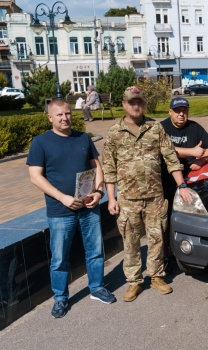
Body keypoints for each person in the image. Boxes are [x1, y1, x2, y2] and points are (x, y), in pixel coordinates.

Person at [102, 87, 194, 302]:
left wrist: (182, 185)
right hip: (127, 198)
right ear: (124, 104)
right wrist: (111, 197)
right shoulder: (115, 132)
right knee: (131, 242)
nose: (136, 106)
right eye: (132, 102)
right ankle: (134, 282)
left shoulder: (156, 128)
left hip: (155, 197)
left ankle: (156, 276)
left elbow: (171, 158)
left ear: (144, 104)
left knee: (157, 238)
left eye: (140, 102)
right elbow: (109, 166)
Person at [27, 99, 116, 318]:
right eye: (59, 115)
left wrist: (98, 192)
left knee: (95, 251)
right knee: (59, 258)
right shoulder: (41, 143)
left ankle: (96, 287)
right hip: (60, 211)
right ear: (49, 117)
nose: (65, 118)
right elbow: (35, 177)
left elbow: (97, 167)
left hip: (89, 207)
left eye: (67, 113)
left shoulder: (83, 138)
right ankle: (60, 298)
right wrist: (62, 198)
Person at [160, 97, 208, 273]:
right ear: (170, 112)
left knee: (187, 220)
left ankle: (187, 252)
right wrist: (190, 152)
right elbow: (162, 149)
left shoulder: (195, 128)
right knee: (164, 222)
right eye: (177, 111)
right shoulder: (161, 128)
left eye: (184, 110)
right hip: (165, 182)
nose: (181, 114)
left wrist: (201, 159)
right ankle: (165, 256)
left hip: (190, 183)